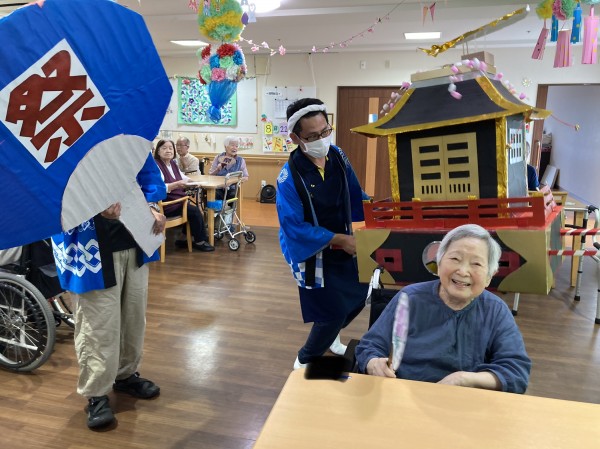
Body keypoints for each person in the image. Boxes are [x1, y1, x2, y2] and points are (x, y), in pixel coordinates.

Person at [51, 153, 168, 429]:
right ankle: (96, 393)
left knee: (133, 317)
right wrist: (93, 207)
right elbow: (54, 192)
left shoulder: (129, 139)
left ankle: (126, 375)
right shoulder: (64, 144)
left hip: (135, 238)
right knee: (98, 324)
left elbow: (148, 175)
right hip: (89, 246)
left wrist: (151, 207)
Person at [355, 224, 532, 394]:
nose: (463, 271)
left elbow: (516, 372)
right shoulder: (410, 298)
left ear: (489, 277)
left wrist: (463, 379)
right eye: (455, 259)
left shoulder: (496, 311)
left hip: (464, 401)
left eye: (476, 264)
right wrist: (374, 363)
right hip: (404, 394)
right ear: (438, 264)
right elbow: (369, 346)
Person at [276, 98, 371, 370]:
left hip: (344, 240)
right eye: (313, 136)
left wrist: (375, 211)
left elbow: (354, 192)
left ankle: (332, 335)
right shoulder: (289, 178)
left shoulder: (337, 155)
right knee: (330, 312)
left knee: (359, 296)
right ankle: (304, 359)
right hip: (312, 250)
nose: (322, 139)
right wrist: (338, 239)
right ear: (296, 138)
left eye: (325, 131)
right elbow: (294, 227)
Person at [153, 139, 214, 252]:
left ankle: (184, 238)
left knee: (193, 210)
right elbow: (159, 187)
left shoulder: (172, 163)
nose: (168, 151)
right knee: (195, 212)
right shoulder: (156, 165)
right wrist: (176, 184)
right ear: (158, 151)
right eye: (164, 148)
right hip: (167, 204)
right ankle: (200, 241)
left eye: (170, 148)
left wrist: (193, 182)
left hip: (178, 201)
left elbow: (182, 177)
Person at [208, 136, 249, 200]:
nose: (235, 148)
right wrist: (217, 170)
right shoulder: (218, 158)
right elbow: (210, 175)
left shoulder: (240, 160)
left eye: (236, 146)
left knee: (233, 195)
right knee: (212, 194)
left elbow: (246, 177)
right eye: (232, 145)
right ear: (225, 146)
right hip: (218, 187)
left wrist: (232, 182)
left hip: (232, 189)